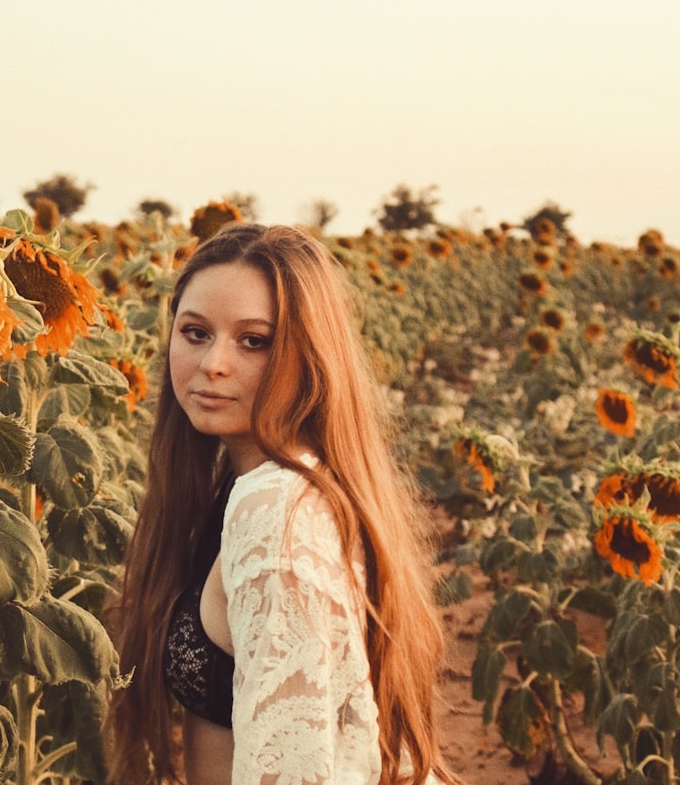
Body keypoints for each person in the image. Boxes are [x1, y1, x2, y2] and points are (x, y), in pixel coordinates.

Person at [107, 223, 459, 784]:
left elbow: (295, 770)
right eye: (195, 332)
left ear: (310, 356)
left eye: (254, 341)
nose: (214, 363)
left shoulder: (275, 510)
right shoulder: (287, 485)